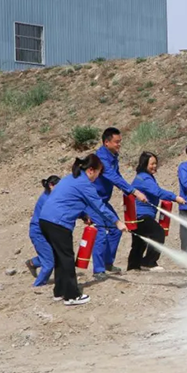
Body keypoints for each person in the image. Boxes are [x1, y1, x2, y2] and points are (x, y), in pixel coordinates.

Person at [39, 155, 126, 306]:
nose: (97, 177)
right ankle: (72, 296)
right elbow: (99, 206)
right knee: (67, 257)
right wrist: (117, 222)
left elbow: (67, 200)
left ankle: (59, 291)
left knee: (60, 257)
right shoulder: (84, 183)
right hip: (58, 223)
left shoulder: (71, 178)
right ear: (91, 170)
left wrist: (84, 216)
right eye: (98, 173)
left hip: (45, 220)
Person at [89, 127, 147, 280]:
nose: (119, 144)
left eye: (120, 141)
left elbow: (118, 176)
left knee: (115, 229)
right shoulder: (101, 158)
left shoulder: (113, 156)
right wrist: (134, 191)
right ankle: (98, 270)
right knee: (100, 232)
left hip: (103, 201)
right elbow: (111, 177)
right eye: (116, 142)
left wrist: (129, 192)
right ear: (106, 142)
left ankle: (108, 262)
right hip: (93, 201)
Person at [128, 151, 186, 272]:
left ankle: (133, 266)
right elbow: (158, 192)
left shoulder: (145, 177)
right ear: (144, 164)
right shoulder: (144, 179)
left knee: (139, 242)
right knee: (158, 233)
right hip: (142, 215)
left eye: (156, 163)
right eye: (152, 164)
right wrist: (175, 198)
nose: (154, 166)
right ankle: (149, 262)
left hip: (138, 215)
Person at [25, 175, 61, 287]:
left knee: (56, 255)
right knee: (49, 263)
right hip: (39, 232)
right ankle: (38, 285)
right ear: (51, 185)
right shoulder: (47, 200)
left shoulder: (52, 196)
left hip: (46, 231)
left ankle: (33, 263)